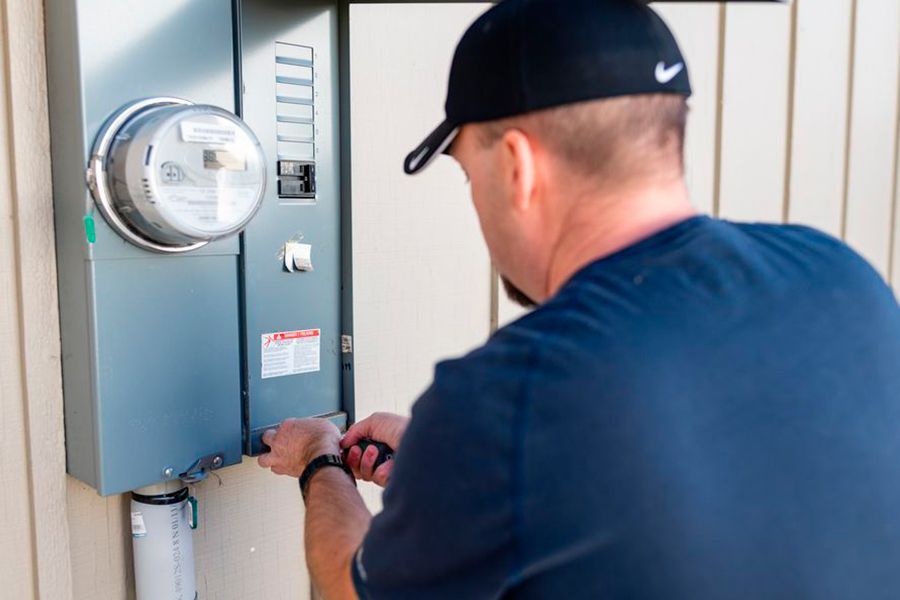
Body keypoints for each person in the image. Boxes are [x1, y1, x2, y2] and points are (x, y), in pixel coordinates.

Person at [258, 0, 900, 598]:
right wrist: (461, 472)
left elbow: (348, 588)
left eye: (468, 173)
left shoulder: (510, 395)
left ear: (517, 166)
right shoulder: (839, 274)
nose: (476, 202)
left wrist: (321, 460)